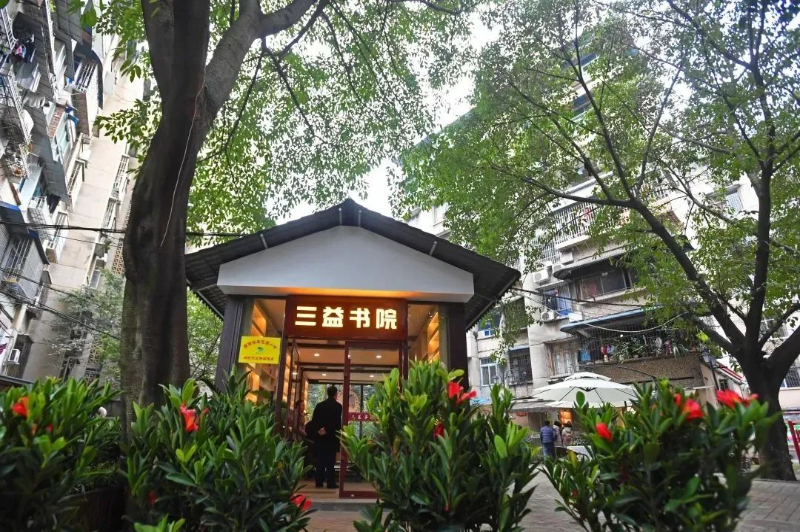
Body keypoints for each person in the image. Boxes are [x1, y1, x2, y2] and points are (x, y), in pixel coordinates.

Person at [311, 385, 342, 489]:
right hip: (331, 438)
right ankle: (330, 482)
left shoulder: (319, 406)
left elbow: (314, 421)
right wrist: (327, 430)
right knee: (330, 462)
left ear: (328, 393)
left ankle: (319, 482)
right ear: (336, 394)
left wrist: (319, 430)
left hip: (320, 437)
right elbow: (336, 423)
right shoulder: (338, 406)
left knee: (320, 461)